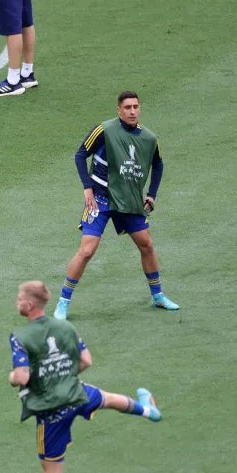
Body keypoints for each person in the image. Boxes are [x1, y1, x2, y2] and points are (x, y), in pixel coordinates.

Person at [8, 281, 161, 473]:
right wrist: (65, 377)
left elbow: (22, 377)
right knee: (108, 399)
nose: (17, 301)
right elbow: (86, 361)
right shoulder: (64, 327)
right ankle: (149, 411)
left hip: (50, 412)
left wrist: (14, 378)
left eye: (19, 298)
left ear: (30, 305)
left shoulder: (20, 336)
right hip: (75, 394)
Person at [53, 91, 179, 320]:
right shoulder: (104, 130)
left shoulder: (149, 138)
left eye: (136, 107)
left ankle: (157, 295)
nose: (132, 111)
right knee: (87, 251)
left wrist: (152, 195)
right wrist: (87, 186)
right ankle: (63, 302)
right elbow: (80, 155)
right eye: (128, 107)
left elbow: (158, 164)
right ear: (118, 110)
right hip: (100, 198)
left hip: (129, 200)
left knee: (147, 245)